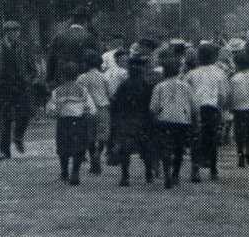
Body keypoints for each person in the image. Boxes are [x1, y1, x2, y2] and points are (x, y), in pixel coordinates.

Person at [45, 60, 97, 186]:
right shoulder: (82, 90)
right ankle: (75, 172)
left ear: (62, 75)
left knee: (63, 148)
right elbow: (92, 108)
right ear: (77, 75)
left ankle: (64, 172)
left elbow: (50, 109)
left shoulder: (57, 91)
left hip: (63, 122)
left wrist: (55, 113)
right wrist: (86, 113)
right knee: (79, 148)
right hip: (79, 121)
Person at [149, 55, 196, 188]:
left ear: (164, 72)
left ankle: (166, 173)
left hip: (164, 120)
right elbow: (193, 106)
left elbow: (153, 108)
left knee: (166, 147)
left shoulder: (159, 86)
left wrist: (154, 122)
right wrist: (193, 121)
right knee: (179, 148)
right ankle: (175, 174)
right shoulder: (186, 86)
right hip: (182, 120)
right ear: (178, 71)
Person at [108, 54, 156, 186]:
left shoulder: (124, 85)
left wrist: (116, 120)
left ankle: (125, 177)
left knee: (125, 150)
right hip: (142, 121)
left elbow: (115, 104)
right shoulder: (147, 85)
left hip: (126, 121)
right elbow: (151, 105)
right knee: (145, 148)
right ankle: (148, 174)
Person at [185, 41, 229, 181]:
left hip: (196, 109)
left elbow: (187, 93)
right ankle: (213, 170)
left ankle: (195, 169)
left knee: (196, 138)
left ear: (199, 57)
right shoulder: (220, 73)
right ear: (214, 57)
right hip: (212, 108)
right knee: (212, 138)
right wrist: (220, 109)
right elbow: (222, 94)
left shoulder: (192, 74)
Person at [0, 19, 34, 160]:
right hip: (4, 87)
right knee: (5, 119)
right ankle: (4, 151)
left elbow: (32, 68)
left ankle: (18, 136)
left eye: (17, 32)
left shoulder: (24, 47)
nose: (16, 34)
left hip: (21, 86)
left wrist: (28, 79)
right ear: (6, 33)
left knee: (25, 114)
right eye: (13, 32)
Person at [76, 51, 112, 175]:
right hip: (102, 107)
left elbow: (79, 94)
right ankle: (98, 153)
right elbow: (110, 93)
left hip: (88, 110)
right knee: (103, 134)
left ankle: (92, 159)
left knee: (90, 135)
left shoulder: (82, 78)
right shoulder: (104, 77)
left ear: (86, 64)